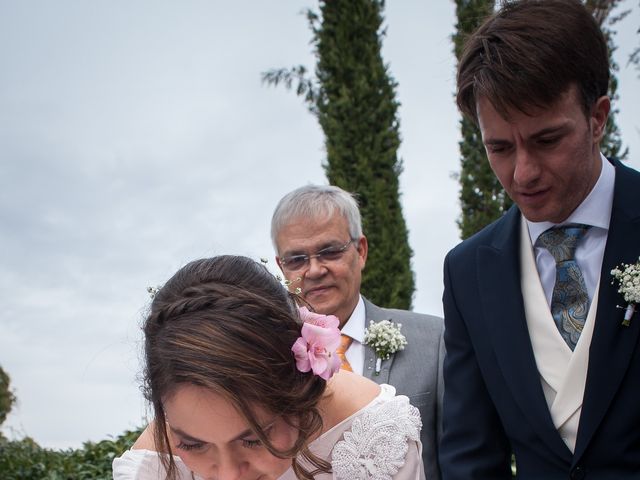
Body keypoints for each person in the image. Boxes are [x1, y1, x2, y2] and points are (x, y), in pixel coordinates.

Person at [439, 1, 640, 479]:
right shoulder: (469, 271)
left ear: (598, 118)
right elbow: (471, 454)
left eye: (547, 140)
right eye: (500, 148)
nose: (523, 173)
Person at [112, 255, 425, 480]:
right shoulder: (148, 471)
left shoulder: (377, 439)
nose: (230, 475)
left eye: (254, 439)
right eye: (192, 444)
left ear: (299, 391)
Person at [271, 185, 444, 480]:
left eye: (329, 252)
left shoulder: (435, 340)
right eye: (297, 259)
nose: (314, 270)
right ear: (281, 267)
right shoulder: (267, 358)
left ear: (360, 251)